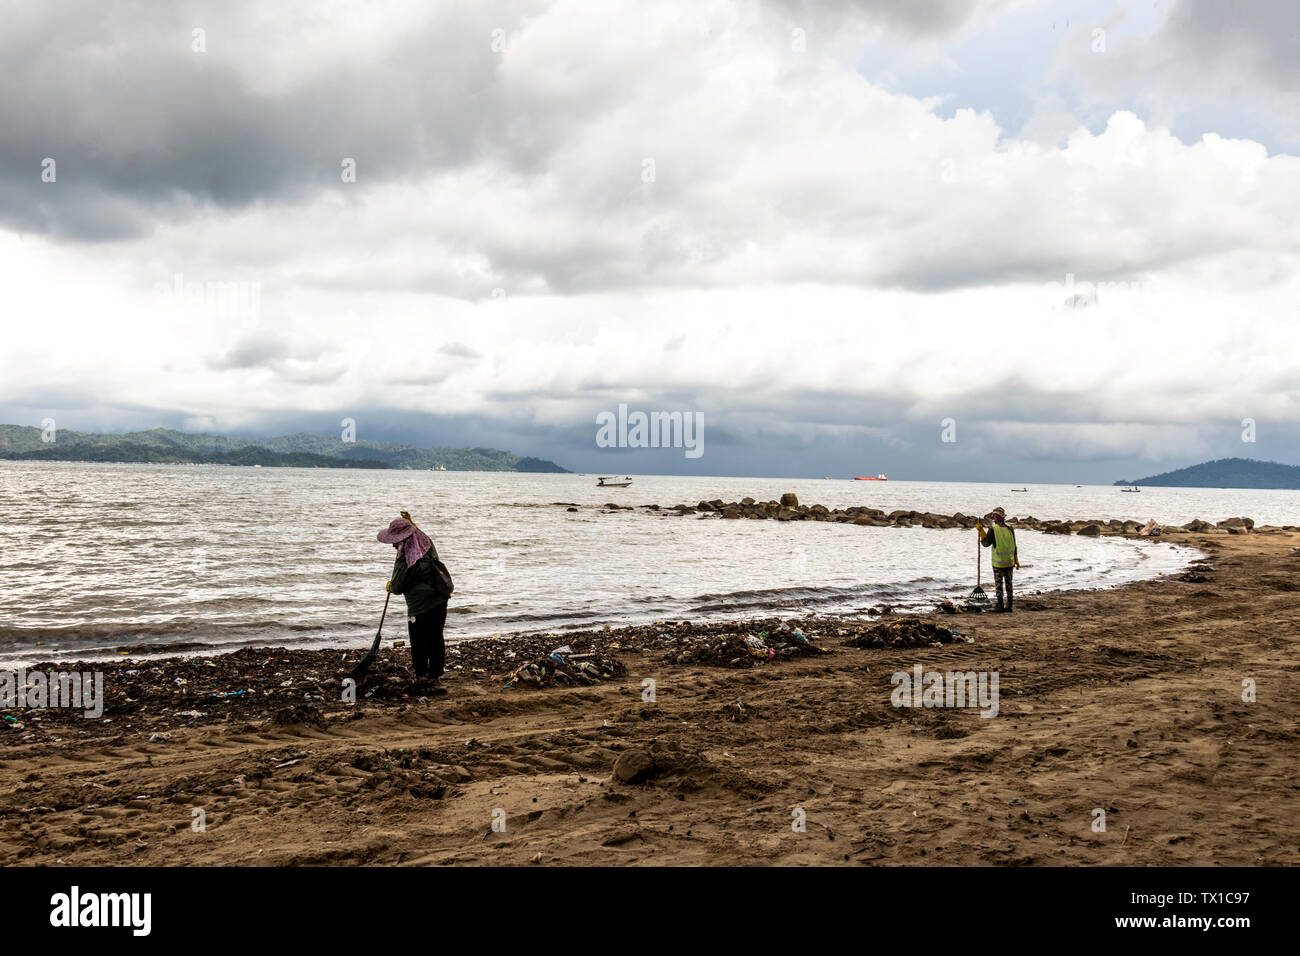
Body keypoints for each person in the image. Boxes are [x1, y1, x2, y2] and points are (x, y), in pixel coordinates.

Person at [376, 515, 448, 683]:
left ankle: (421, 675)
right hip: (440, 598)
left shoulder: (405, 560)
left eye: (395, 541)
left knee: (419, 640)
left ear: (403, 538)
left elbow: (397, 587)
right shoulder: (425, 542)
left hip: (419, 606)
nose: (393, 545)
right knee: (436, 637)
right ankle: (435, 674)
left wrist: (390, 586)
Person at [976, 506, 1020, 613]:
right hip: (1010, 561)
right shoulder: (1010, 527)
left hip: (998, 563)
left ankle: (1000, 606)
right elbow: (1014, 544)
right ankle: (1009, 606)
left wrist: (981, 531)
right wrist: (1016, 559)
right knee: (1009, 584)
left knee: (999, 584)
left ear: (995, 517)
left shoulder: (993, 529)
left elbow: (986, 543)